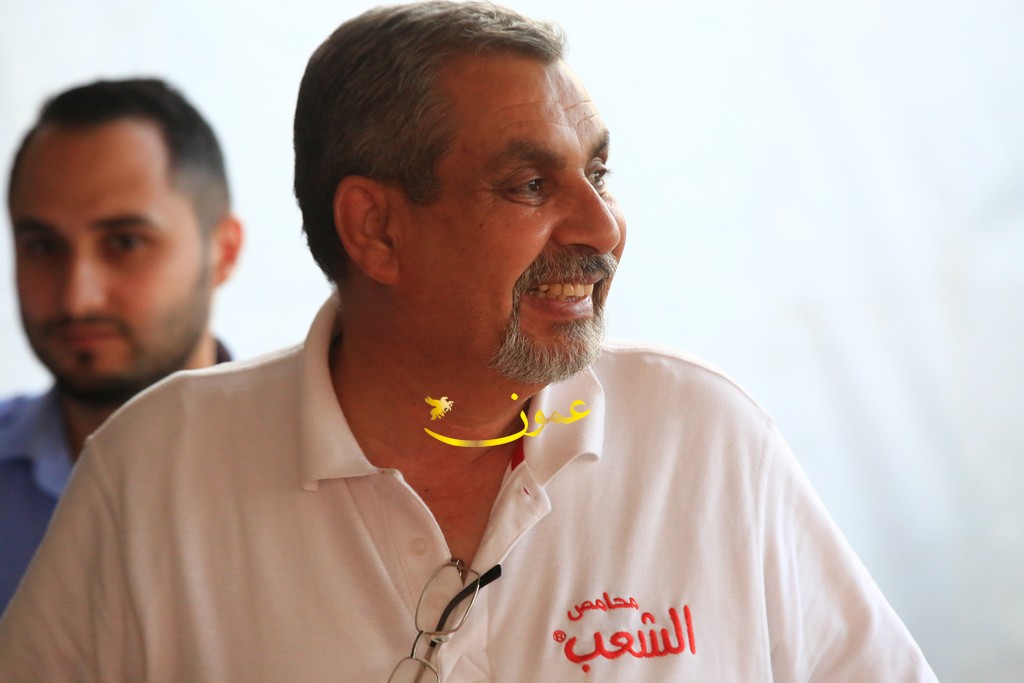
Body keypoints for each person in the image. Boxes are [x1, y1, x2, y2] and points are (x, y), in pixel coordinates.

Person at [0, 3, 936, 680]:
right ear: (376, 229)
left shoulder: (707, 438)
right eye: (529, 185)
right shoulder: (154, 468)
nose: (601, 226)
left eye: (599, 171)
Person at [0, 78, 243, 612]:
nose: (77, 297)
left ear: (223, 252)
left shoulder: (327, 479)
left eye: (125, 242)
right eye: (42, 246)